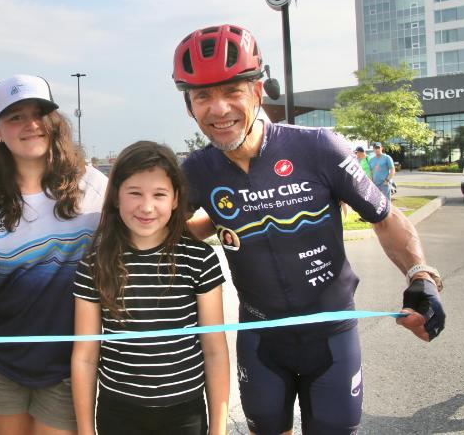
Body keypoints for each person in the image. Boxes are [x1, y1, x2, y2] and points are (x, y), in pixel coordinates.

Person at [172, 23, 445, 435]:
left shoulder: (317, 147)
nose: (219, 108)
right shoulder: (195, 172)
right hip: (261, 340)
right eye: (203, 96)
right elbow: (170, 234)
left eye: (232, 91)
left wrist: (420, 276)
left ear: (258, 91)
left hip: (331, 336)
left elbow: (385, 217)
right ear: (189, 106)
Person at [0, 74, 108, 435]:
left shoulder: (93, 186)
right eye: (15, 117)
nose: (31, 125)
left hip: (69, 364)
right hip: (1, 361)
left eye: (40, 113)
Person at [72, 141, 230, 435]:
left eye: (159, 194)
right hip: (118, 411)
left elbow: (215, 350)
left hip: (185, 412)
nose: (146, 207)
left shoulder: (199, 260)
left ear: (175, 199)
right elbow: (85, 354)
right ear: (117, 196)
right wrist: (85, 429)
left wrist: (218, 428)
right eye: (134, 193)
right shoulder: (95, 263)